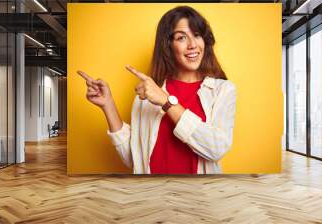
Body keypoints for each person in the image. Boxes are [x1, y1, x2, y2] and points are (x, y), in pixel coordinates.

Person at [78, 6, 236, 174]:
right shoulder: (149, 91)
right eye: (181, 37)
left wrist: (166, 102)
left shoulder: (222, 90)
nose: (192, 45)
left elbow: (216, 149)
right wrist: (107, 105)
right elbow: (135, 158)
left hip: (199, 196)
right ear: (168, 45)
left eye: (197, 35)